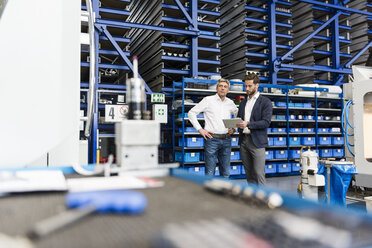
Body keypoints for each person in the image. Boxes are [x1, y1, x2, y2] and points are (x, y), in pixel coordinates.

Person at [188, 78, 238, 178]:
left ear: (228, 90)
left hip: (227, 139)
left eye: (225, 87)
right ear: (216, 88)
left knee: (225, 173)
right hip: (212, 139)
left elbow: (238, 115)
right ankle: (209, 193)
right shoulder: (208, 100)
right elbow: (191, 113)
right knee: (210, 172)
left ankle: (224, 193)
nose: (223, 89)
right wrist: (200, 129)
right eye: (220, 86)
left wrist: (233, 128)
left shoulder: (230, 103)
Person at [236, 73, 272, 185]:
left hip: (257, 142)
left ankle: (262, 201)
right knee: (249, 174)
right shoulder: (243, 103)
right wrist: (236, 125)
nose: (247, 88)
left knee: (258, 173)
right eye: (245, 86)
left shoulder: (265, 102)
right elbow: (240, 119)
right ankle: (252, 199)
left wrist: (248, 124)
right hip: (244, 141)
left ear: (257, 85)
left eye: (249, 86)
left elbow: (266, 122)